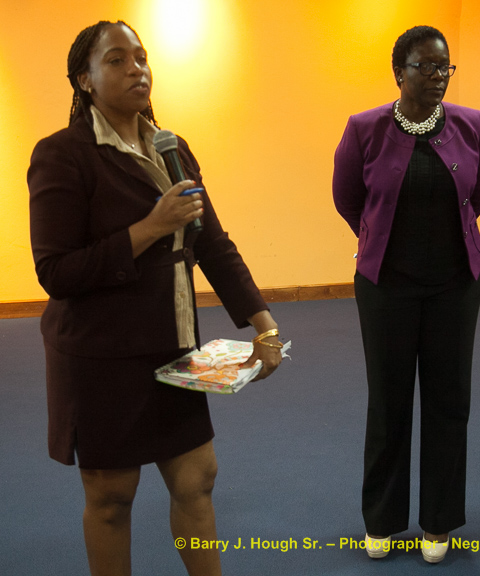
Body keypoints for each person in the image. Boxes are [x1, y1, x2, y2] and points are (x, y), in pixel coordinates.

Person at [28, 21, 283, 576]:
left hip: (173, 347)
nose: (136, 69)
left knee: (197, 478)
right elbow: (56, 271)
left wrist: (264, 325)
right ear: (84, 80)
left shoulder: (172, 148)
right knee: (112, 496)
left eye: (141, 58)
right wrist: (150, 227)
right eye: (116, 60)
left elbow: (212, 244)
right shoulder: (63, 154)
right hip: (100, 357)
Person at [332, 25, 480, 564]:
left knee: (450, 401)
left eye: (445, 67)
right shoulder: (364, 128)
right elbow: (347, 198)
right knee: (389, 401)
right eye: (426, 66)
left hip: (456, 285)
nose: (438, 76)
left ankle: (438, 522)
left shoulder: (472, 124)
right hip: (386, 286)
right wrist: (378, 237)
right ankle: (382, 520)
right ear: (399, 72)